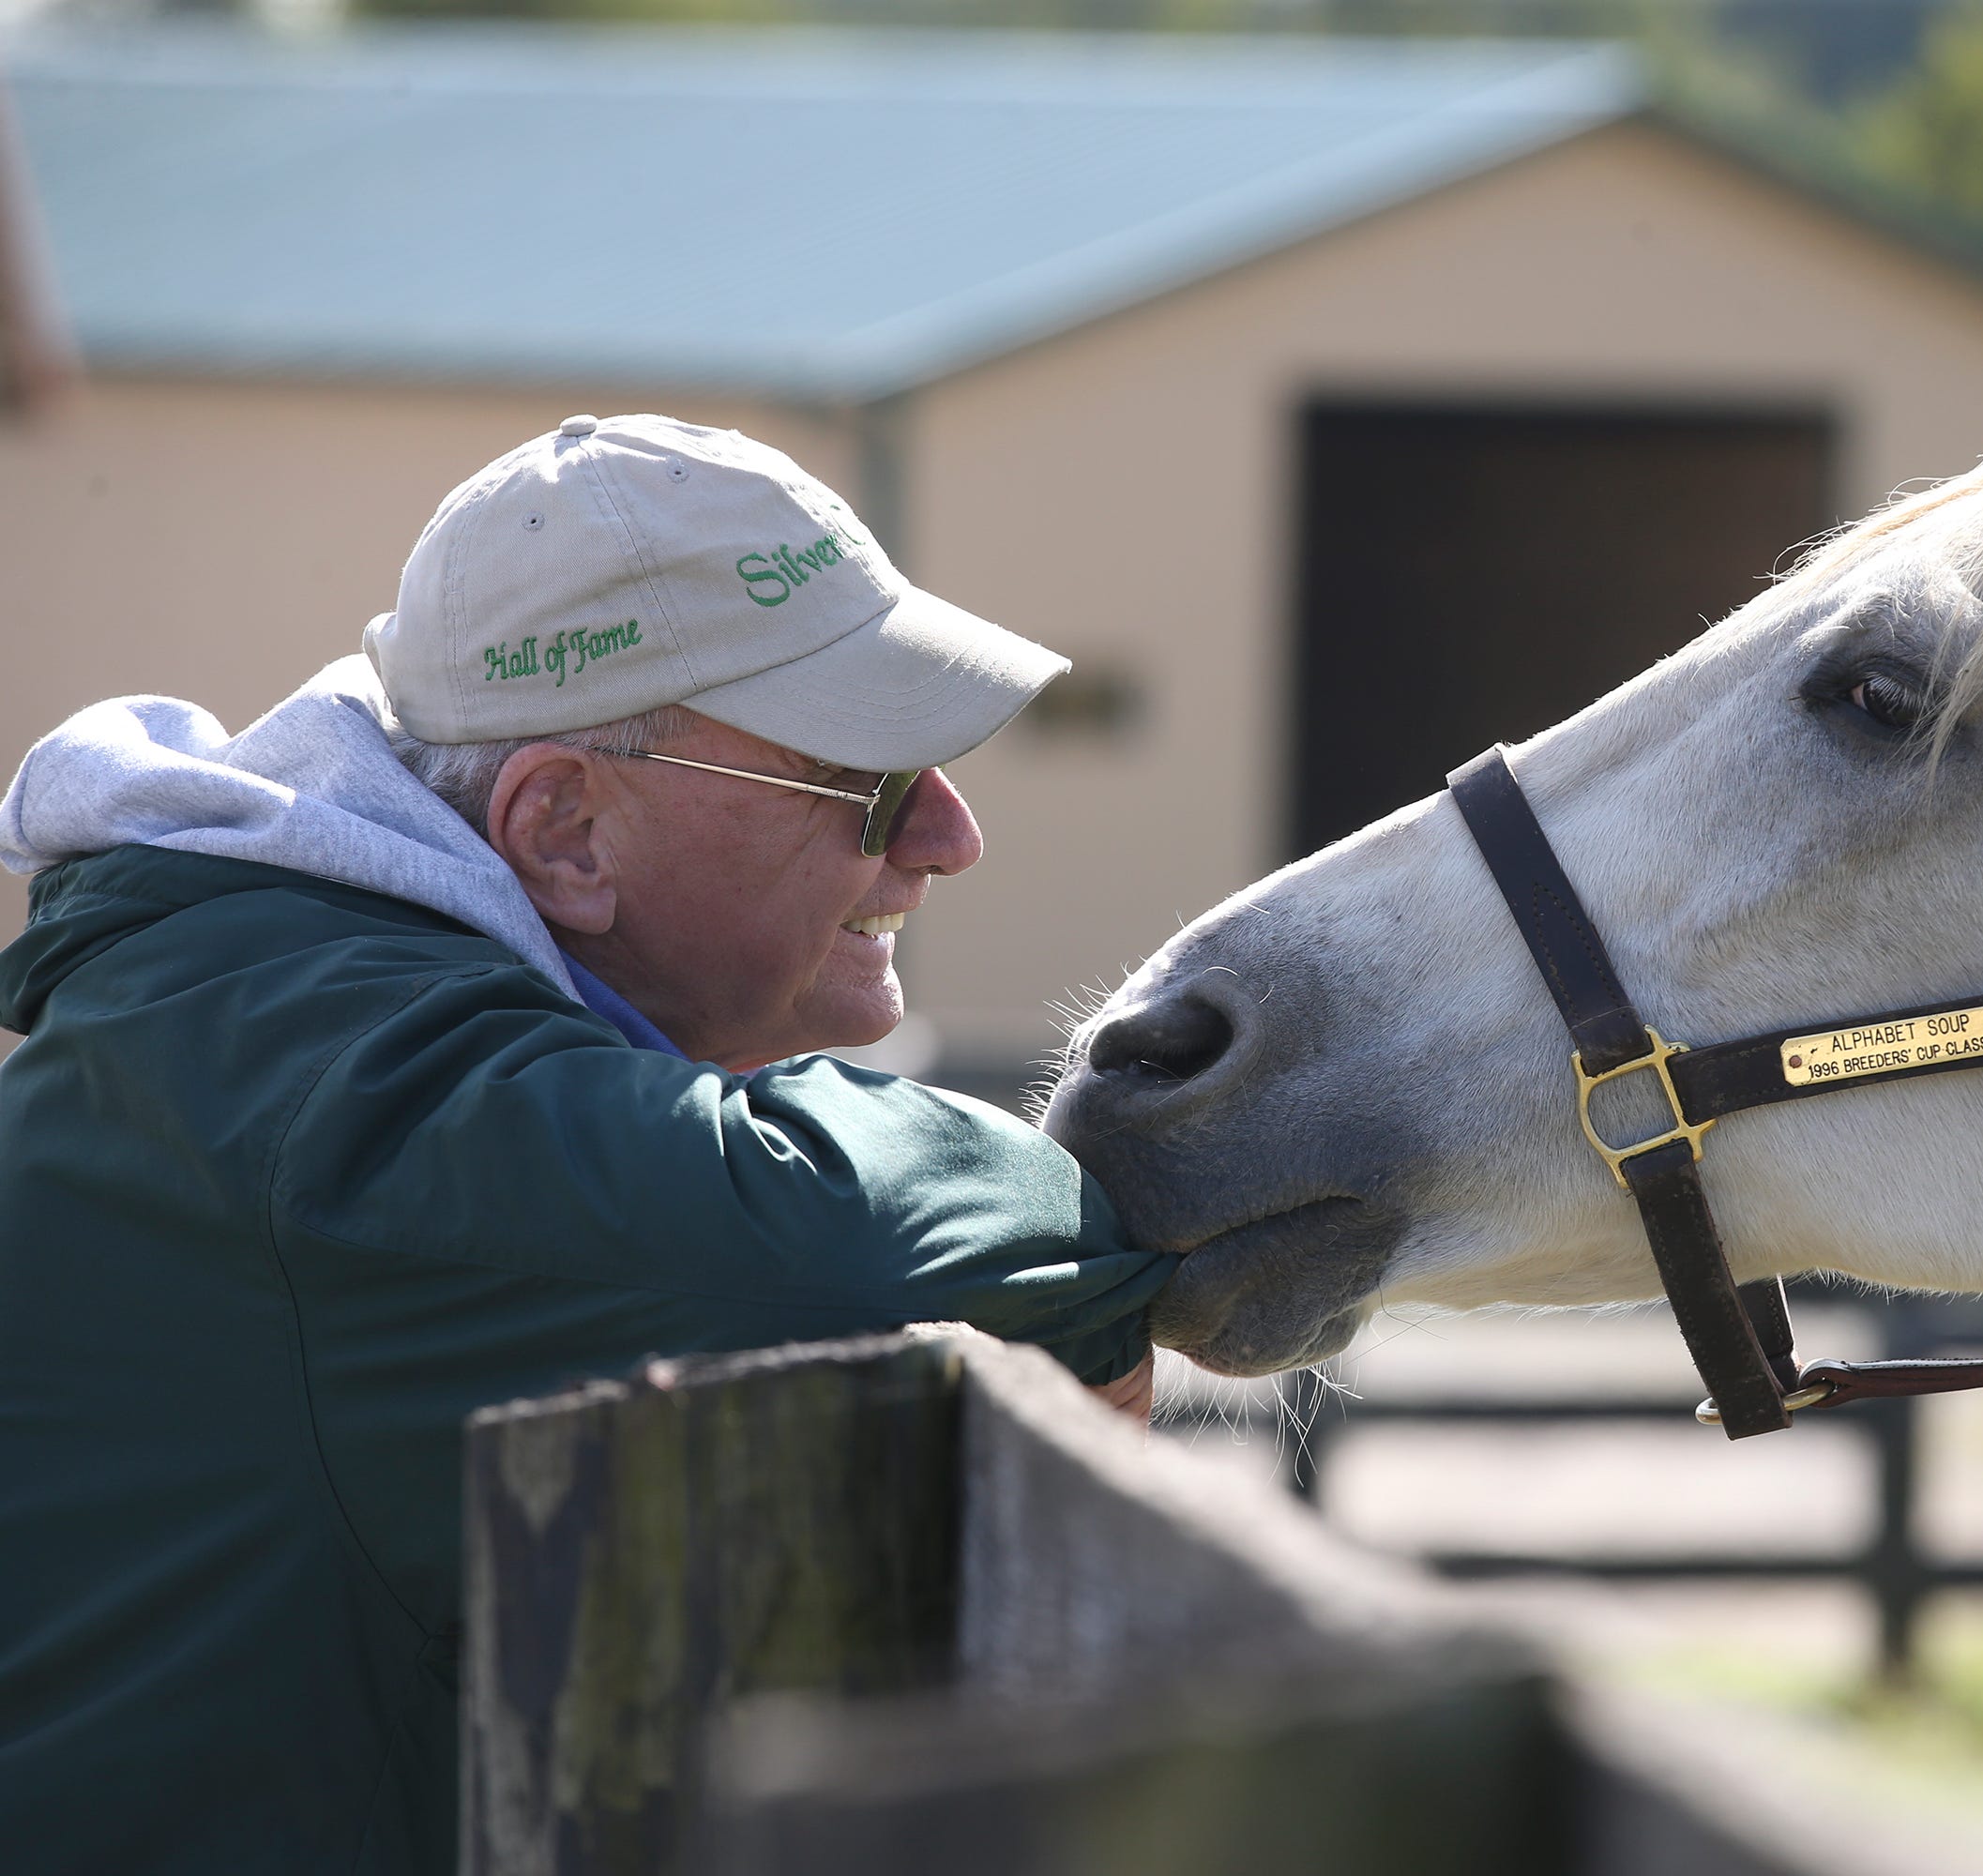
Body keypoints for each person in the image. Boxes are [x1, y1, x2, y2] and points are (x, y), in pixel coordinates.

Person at [0, 415, 1169, 1873]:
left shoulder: (260, 1009)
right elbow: (859, 1244)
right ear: (563, 833)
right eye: (868, 786)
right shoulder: (340, 1088)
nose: (945, 837)